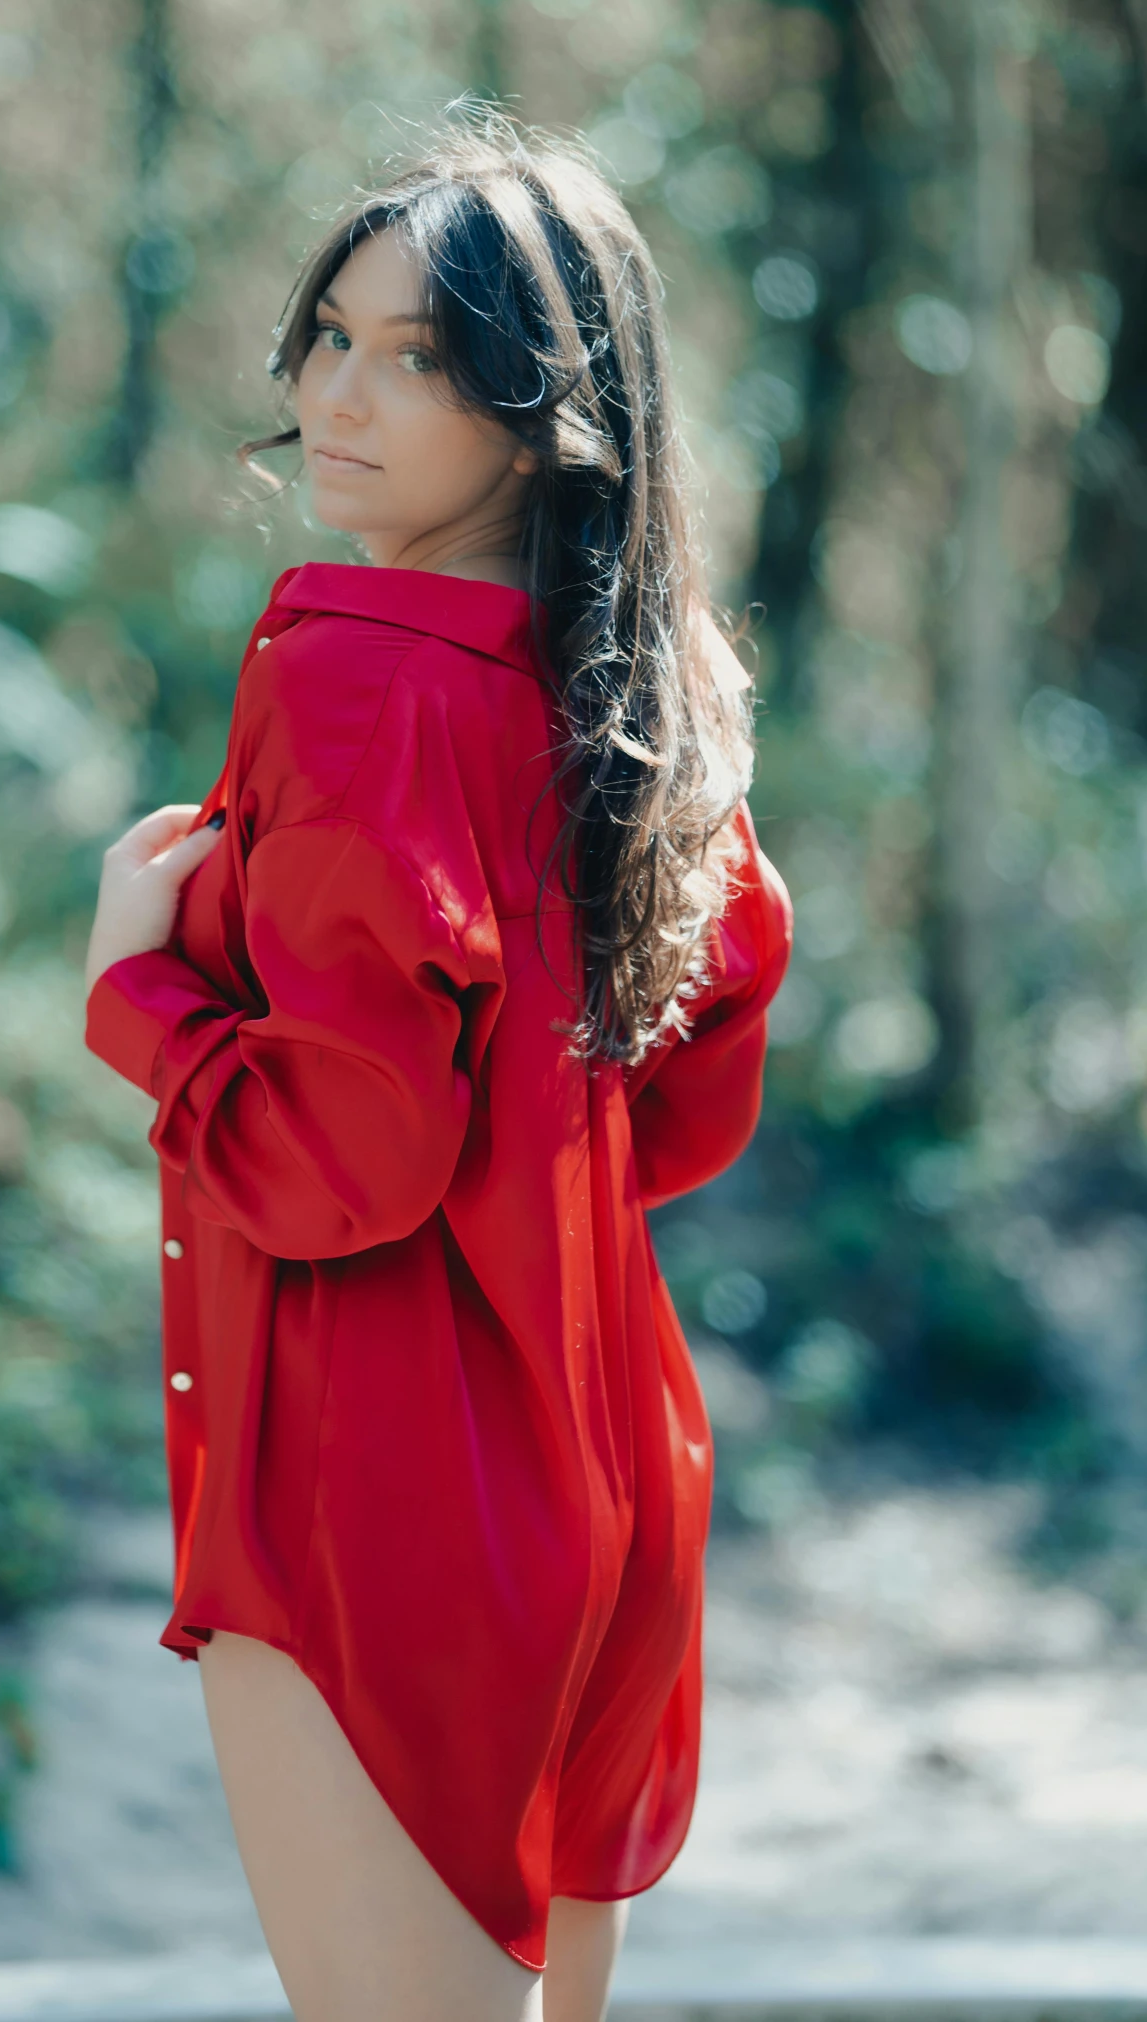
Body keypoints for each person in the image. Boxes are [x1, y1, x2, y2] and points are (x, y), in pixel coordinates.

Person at [82, 106, 793, 2022]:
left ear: (541, 406)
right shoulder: (631, 691)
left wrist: (133, 994)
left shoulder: (354, 667)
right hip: (598, 1463)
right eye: (332, 336)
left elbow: (347, 1150)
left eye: (419, 357)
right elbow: (693, 1086)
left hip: (380, 1501)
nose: (340, 392)